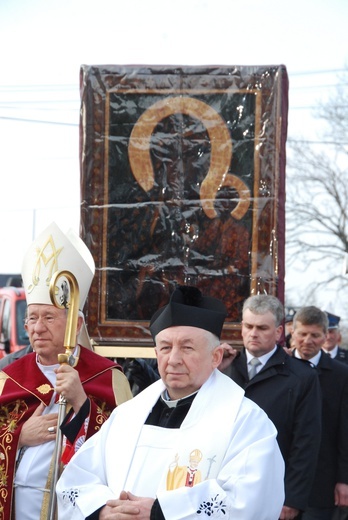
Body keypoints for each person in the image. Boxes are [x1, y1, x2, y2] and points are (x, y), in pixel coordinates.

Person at [56, 285, 285, 520]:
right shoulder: (127, 415)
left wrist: (159, 512)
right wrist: (103, 510)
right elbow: (77, 480)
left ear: (215, 357)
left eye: (187, 348)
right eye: (165, 348)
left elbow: (251, 499)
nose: (174, 359)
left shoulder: (246, 420)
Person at [0, 222, 132, 519]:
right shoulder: (7, 379)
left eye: (48, 317)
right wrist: (18, 436)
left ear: (77, 324)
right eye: (32, 318)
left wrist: (81, 402)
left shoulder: (108, 378)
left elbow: (125, 449)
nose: (37, 327)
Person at [219, 295, 321, 520]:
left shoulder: (302, 376)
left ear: (278, 332)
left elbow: (306, 442)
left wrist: (292, 497)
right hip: (221, 486)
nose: (253, 333)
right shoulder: (222, 367)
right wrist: (211, 368)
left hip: (273, 489)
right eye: (248, 326)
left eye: (262, 327)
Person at [291, 306, 348, 520]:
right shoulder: (279, 370)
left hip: (323, 480)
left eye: (315, 335)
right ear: (293, 333)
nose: (308, 340)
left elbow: (345, 430)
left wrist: (344, 479)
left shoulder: (341, 376)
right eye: (302, 334)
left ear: (326, 336)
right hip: (283, 478)